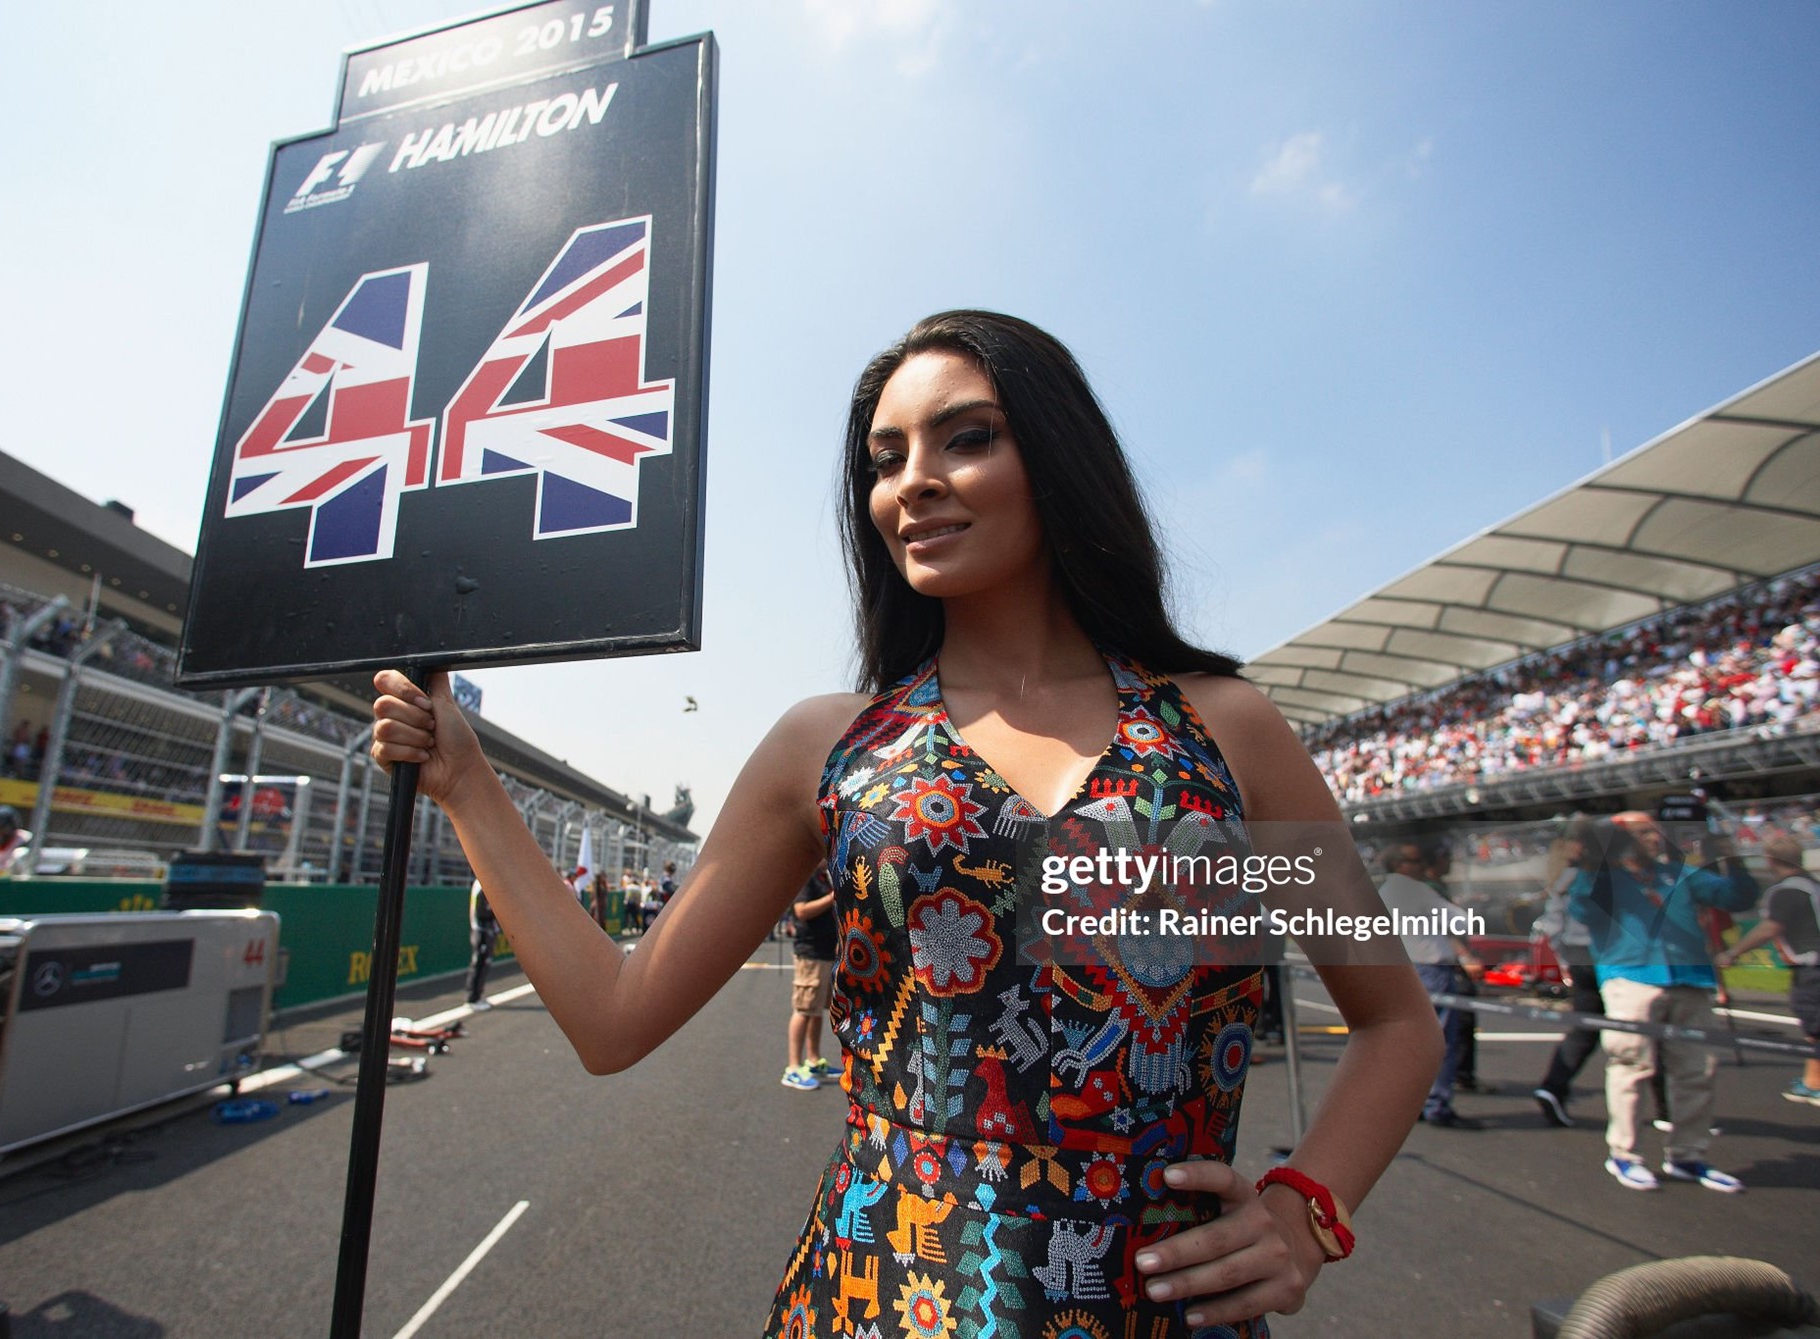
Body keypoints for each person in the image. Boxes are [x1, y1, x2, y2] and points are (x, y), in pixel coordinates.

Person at [372, 310, 1441, 1333]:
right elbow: (613, 1016)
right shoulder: (828, 747)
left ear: (1061, 459)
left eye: (965, 438)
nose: (910, 482)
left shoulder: (1227, 733)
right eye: (883, 461)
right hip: (879, 1305)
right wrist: (468, 784)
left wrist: (1308, 1211)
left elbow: (1395, 1021)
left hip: (1163, 1313)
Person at [1570, 806, 1758, 1192]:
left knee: (1696, 1070)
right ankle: (1624, 1153)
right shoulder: (1603, 878)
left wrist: (1731, 857)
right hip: (1631, 977)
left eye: (1653, 832)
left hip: (1689, 977)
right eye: (1640, 832)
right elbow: (1582, 910)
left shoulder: (1680, 874)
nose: (1651, 838)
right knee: (1630, 1065)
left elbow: (1737, 896)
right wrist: (1592, 864)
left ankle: (1688, 1154)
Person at [1376, 842, 1485, 1127]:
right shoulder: (1417, 889)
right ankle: (1437, 1103)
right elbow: (1462, 922)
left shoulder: (1386, 891)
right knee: (1440, 1039)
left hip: (1402, 967)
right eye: (1415, 861)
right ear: (1400, 865)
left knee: (1408, 1038)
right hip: (1431, 969)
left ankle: (1413, 1101)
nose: (1422, 866)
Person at [1715, 831, 1820, 1106]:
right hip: (1810, 966)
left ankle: (1815, 1083)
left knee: (1814, 1023)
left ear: (1771, 860)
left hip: (1811, 966)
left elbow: (1770, 927)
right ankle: (1812, 1081)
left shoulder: (1787, 890)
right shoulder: (1811, 884)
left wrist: (1733, 952)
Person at [1532, 817, 1605, 1127]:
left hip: (1579, 956)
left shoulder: (1567, 877)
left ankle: (1554, 1085)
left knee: (1586, 1026)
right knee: (1647, 1029)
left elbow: (1553, 923)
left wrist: (1563, 960)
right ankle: (1667, 1108)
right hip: (1606, 957)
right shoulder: (1603, 876)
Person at [781, 867, 837, 1091]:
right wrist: (831, 898)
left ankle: (813, 1060)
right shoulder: (807, 877)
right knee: (804, 1009)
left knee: (815, 1010)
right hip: (810, 952)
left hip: (824, 952)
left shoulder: (824, 877)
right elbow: (801, 910)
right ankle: (792, 1067)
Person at [466, 879, 500, 1009]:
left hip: (484, 930)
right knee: (479, 963)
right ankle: (473, 998)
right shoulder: (482, 884)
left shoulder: (482, 883)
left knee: (483, 963)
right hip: (482, 930)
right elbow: (483, 911)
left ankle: (477, 996)